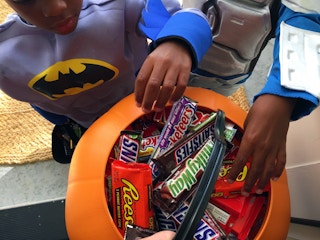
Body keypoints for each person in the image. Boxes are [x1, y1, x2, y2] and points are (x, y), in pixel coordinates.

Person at [136, 0, 320, 198]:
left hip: (226, 79)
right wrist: (179, 36)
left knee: (199, 124)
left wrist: (283, 93)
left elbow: (305, 14)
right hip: (166, 61)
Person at [0, 0, 212, 163]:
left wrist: (178, 41)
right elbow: (40, 101)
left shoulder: (117, 5)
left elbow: (186, 17)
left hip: (145, 104)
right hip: (88, 124)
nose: (56, 8)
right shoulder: (5, 54)